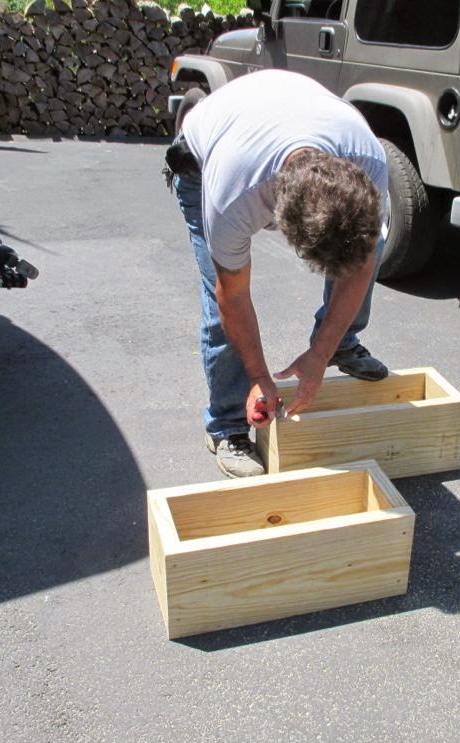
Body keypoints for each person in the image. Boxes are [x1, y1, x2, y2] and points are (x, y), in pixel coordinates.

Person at [167, 69, 389, 479]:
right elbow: (231, 296)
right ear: (281, 225)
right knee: (219, 299)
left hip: (278, 116)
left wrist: (319, 356)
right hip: (202, 158)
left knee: (364, 253)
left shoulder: (370, 162)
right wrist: (258, 375)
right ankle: (226, 426)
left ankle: (340, 342)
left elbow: (360, 267)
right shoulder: (234, 196)